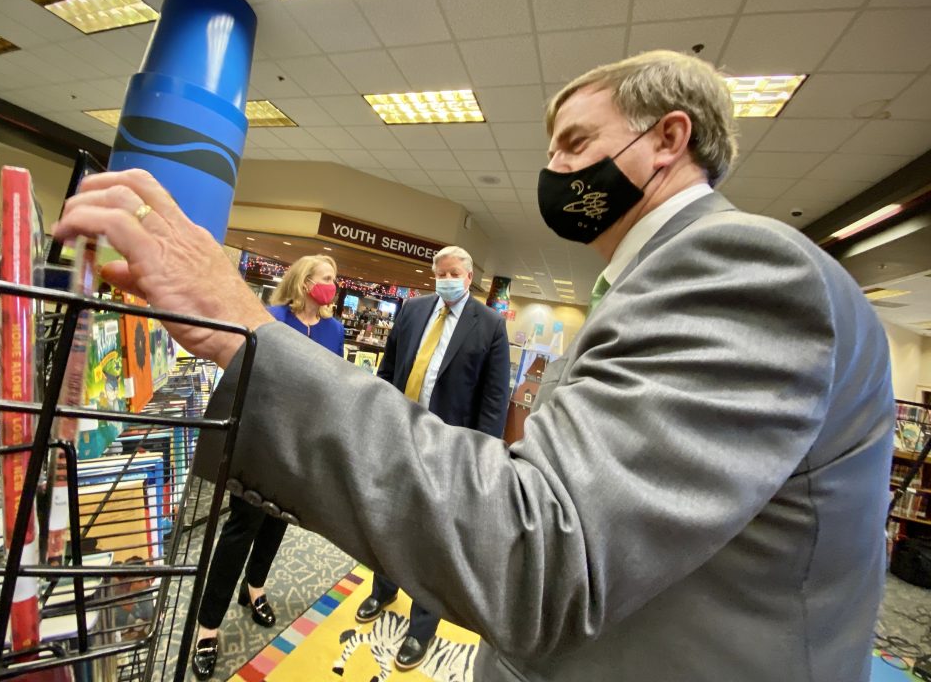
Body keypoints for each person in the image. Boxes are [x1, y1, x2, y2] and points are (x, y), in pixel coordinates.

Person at [54, 50, 894, 682]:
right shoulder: (654, 281)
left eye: (576, 143)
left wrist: (248, 333)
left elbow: (547, 553)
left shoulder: (740, 264)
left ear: (668, 139)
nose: (556, 170)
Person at [354, 245, 510, 671]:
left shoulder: (490, 325)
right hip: (397, 437)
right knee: (384, 520)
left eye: (454, 272)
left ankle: (421, 627)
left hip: (447, 449)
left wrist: (480, 460)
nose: (447, 279)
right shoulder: (412, 309)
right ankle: (383, 588)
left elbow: (495, 402)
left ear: (469, 275)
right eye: (440, 272)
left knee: (431, 537)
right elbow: (387, 372)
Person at [190, 254, 344, 680]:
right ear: (304, 281)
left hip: (302, 447)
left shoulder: (335, 329)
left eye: (334, 279)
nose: (332, 285)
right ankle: (208, 627)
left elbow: (335, 384)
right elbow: (247, 373)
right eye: (326, 278)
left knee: (279, 521)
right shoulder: (271, 318)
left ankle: (254, 587)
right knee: (241, 529)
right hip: (260, 440)